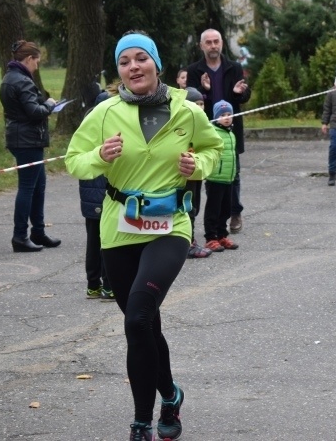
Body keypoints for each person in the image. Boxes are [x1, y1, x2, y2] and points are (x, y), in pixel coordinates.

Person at [65, 32, 222, 441]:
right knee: (146, 324)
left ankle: (140, 423)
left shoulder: (186, 111)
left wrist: (197, 164)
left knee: (136, 318)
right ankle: (170, 395)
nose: (133, 67)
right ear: (118, 71)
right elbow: (73, 160)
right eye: (124, 62)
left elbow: (214, 148)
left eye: (141, 59)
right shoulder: (104, 113)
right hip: (119, 227)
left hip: (170, 225)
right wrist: (99, 157)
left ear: (156, 64)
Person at [0, 40, 61, 253]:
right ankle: (20, 236)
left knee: (38, 186)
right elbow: (34, 112)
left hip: (22, 138)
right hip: (28, 140)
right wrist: (50, 105)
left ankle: (38, 232)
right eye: (37, 61)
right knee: (27, 188)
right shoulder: (23, 81)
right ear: (28, 59)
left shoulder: (9, 78)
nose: (37, 66)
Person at [186, 29, 251, 234]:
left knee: (233, 173)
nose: (213, 46)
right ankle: (194, 218)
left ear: (221, 43)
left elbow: (244, 96)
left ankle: (234, 212)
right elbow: (189, 100)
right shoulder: (194, 70)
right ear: (202, 46)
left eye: (216, 42)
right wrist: (204, 90)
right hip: (204, 131)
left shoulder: (234, 67)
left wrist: (240, 93)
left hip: (230, 130)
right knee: (202, 175)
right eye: (209, 42)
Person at [80, 81, 118, 300]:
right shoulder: (105, 132)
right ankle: (108, 285)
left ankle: (93, 284)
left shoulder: (87, 126)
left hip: (89, 196)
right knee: (107, 241)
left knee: (93, 241)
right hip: (100, 194)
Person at [203, 100, 239, 253]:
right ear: (216, 117)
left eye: (229, 114)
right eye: (223, 115)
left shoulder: (231, 133)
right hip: (215, 178)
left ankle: (221, 235)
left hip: (228, 178)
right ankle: (211, 237)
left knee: (226, 208)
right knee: (213, 209)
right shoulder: (212, 132)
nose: (226, 117)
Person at [184, 86, 213, 259]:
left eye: (202, 104)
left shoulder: (202, 124)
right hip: (184, 176)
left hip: (197, 174)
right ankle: (187, 243)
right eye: (196, 104)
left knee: (195, 207)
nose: (200, 108)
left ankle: (191, 239)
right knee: (187, 208)